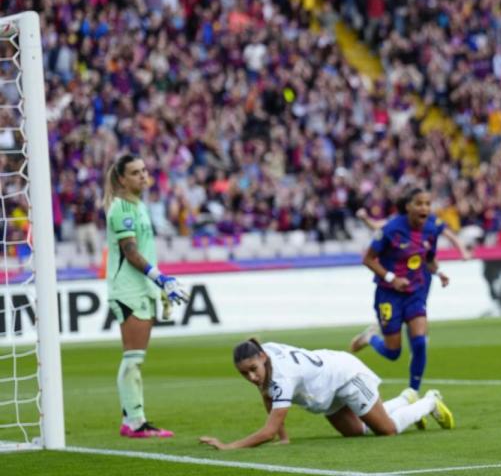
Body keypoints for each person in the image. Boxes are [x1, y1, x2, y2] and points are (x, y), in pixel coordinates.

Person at [198, 338, 453, 450]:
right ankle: (405, 400)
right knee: (355, 432)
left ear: (262, 358)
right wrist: (284, 438)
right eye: (244, 374)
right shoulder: (263, 356)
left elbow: (268, 430)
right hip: (325, 393)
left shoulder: (283, 376)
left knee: (386, 430)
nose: (251, 377)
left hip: (345, 376)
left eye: (253, 370)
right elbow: (267, 395)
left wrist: (230, 446)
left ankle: (429, 401)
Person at [349, 187, 472, 396]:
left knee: (420, 341)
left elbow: (429, 259)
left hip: (415, 291)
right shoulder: (391, 229)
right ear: (408, 207)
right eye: (419, 203)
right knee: (392, 352)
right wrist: (391, 278)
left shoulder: (431, 230)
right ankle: (370, 338)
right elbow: (367, 259)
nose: (424, 208)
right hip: (389, 293)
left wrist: (439, 272)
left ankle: (413, 393)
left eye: (427, 203)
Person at [103, 153, 190, 438]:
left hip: (140, 289)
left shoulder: (138, 206)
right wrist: (161, 279)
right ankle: (135, 423)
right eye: (135, 172)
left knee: (134, 356)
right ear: (121, 179)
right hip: (128, 290)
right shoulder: (122, 208)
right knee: (133, 357)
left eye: (144, 170)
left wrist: (157, 286)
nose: (143, 175)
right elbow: (130, 253)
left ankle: (131, 418)